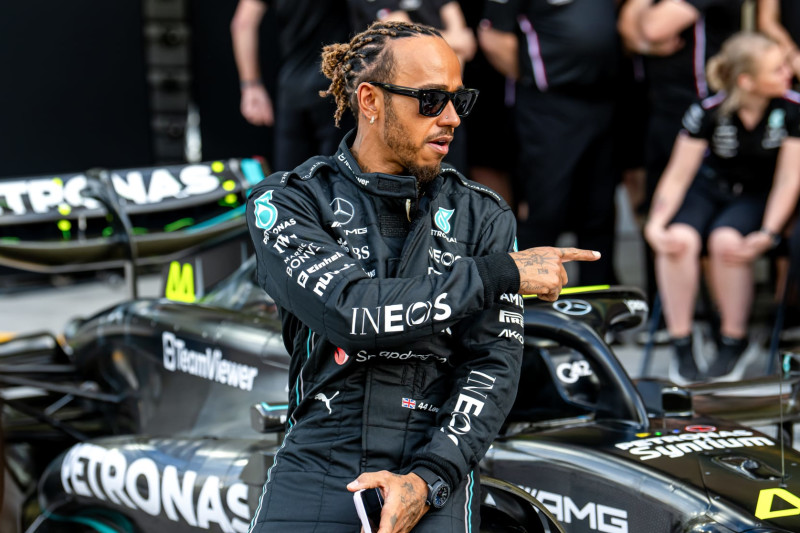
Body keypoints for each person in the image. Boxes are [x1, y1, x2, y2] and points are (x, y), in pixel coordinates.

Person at [245, 20, 600, 532]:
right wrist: (498, 275)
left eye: (460, 99)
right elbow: (352, 311)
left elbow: (492, 366)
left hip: (435, 458)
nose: (452, 118)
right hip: (322, 454)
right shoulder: (290, 200)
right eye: (431, 99)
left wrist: (429, 478)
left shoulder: (483, 214)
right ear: (370, 100)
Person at [644, 32, 800, 382]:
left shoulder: (792, 109)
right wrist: (655, 225)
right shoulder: (707, 110)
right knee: (677, 240)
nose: (786, 73)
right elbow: (678, 175)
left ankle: (734, 340)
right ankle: (682, 342)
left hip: (758, 195)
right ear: (746, 80)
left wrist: (768, 233)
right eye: (776, 70)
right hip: (709, 188)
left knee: (726, 242)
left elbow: (789, 180)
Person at [478, 0, 621, 286]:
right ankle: (529, 306)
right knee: (546, 209)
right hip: (550, 107)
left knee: (600, 210)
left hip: (603, 99)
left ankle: (597, 302)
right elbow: (493, 38)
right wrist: (538, 77)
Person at [230, 0, 351, 170]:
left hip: (292, 89)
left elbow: (242, 24)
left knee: (289, 183)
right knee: (338, 180)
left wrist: (251, 86)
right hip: (336, 88)